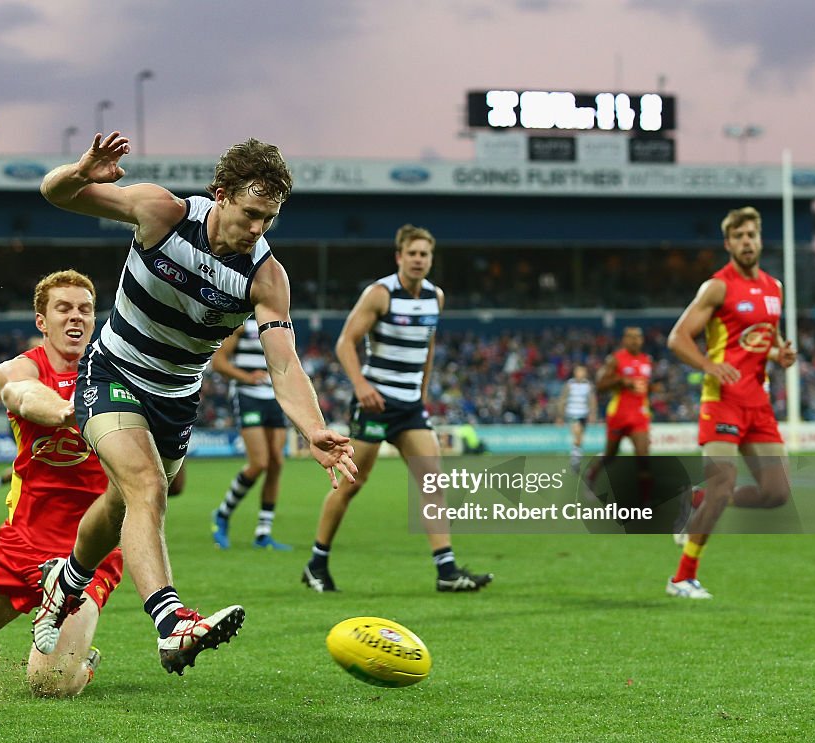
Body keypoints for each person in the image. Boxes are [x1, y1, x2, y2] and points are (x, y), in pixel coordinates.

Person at [33, 132, 357, 675]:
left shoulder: (267, 278)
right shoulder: (161, 211)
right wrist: (83, 168)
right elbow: (55, 194)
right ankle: (172, 623)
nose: (256, 229)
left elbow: (283, 363)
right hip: (113, 369)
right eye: (250, 213)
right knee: (147, 487)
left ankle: (65, 581)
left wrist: (313, 429)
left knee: (120, 505)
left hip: (176, 398)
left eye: (269, 220)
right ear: (222, 193)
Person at [0, 269, 122, 697]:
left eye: (85, 310)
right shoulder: (19, 368)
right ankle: (47, 615)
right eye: (64, 308)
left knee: (50, 684)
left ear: (95, 320)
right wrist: (67, 409)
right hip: (22, 539)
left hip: (88, 550)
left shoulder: (114, 371)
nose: (75, 317)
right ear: (42, 321)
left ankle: (81, 659)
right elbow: (21, 395)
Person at [301, 224, 492, 593]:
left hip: (410, 407)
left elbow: (428, 348)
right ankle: (316, 563)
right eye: (413, 254)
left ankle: (447, 571)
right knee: (354, 482)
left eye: (425, 254)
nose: (419, 260)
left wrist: (422, 393)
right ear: (399, 257)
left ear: (431, 259)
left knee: (432, 481)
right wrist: (361, 386)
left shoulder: (435, 297)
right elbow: (345, 343)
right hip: (375, 404)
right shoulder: (380, 293)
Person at [665, 206, 796, 599]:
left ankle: (698, 501)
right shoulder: (717, 287)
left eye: (752, 235)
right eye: (739, 236)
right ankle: (682, 578)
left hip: (758, 402)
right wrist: (709, 365)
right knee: (724, 485)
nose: (746, 242)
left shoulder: (775, 288)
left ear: (759, 239)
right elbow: (678, 337)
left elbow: (762, 338)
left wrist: (779, 355)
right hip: (722, 400)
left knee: (777, 493)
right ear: (728, 244)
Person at [210, 316, 292, 550]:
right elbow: (220, 363)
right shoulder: (241, 323)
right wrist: (248, 378)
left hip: (274, 397)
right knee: (259, 463)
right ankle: (223, 514)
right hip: (247, 396)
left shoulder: (281, 323)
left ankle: (263, 533)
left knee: (276, 462)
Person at [582, 327, 653, 505]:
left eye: (638, 337)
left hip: (640, 415)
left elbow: (643, 387)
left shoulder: (647, 361)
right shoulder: (616, 360)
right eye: (631, 337)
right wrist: (621, 380)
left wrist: (653, 389)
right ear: (624, 340)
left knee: (643, 457)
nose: (635, 341)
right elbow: (599, 384)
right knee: (610, 455)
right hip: (619, 414)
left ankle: (645, 502)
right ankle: (591, 476)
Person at [0, 336, 44, 511]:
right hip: (26, 424)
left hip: (42, 422)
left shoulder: (49, 367)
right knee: (35, 461)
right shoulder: (20, 369)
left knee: (38, 461)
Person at [556, 364, 597, 473]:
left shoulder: (588, 385)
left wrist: (592, 414)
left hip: (583, 414)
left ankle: (575, 457)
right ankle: (575, 460)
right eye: (579, 371)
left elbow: (592, 400)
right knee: (577, 436)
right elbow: (562, 399)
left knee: (580, 439)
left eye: (582, 372)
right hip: (573, 413)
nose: (580, 374)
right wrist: (560, 415)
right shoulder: (570, 384)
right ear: (575, 373)